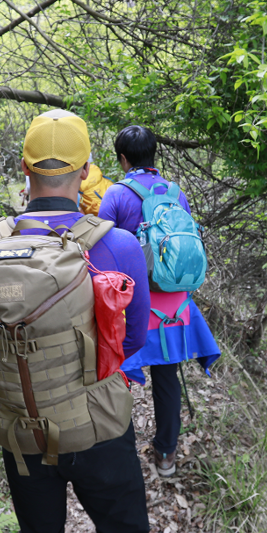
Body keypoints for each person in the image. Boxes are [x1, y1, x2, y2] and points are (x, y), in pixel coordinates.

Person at [0, 110, 157, 533]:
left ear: (24, 169)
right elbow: (132, 343)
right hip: (98, 431)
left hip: (21, 428)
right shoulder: (118, 246)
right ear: (87, 166)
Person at [98, 125, 222, 478]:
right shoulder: (175, 192)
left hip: (130, 305)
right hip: (173, 305)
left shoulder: (116, 195)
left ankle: (118, 453)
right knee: (168, 380)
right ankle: (166, 454)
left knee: (116, 378)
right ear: (155, 154)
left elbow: (101, 249)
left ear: (123, 159)